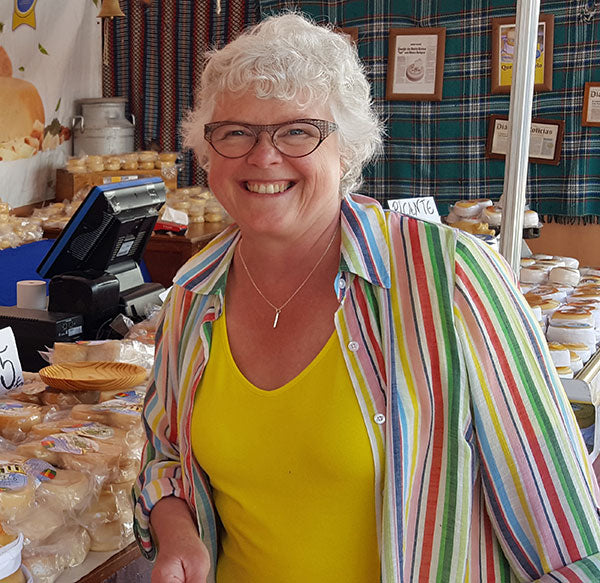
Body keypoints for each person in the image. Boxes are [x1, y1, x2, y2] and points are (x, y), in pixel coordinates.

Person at [133, 12, 600, 583]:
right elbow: (166, 458)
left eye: (298, 130)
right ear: (207, 150)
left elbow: (566, 546)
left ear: (347, 148)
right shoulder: (193, 296)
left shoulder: (449, 279)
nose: (263, 156)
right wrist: (178, 526)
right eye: (235, 131)